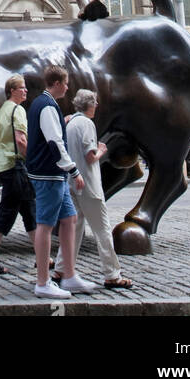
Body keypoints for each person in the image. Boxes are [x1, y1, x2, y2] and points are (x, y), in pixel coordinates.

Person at [26, 64, 96, 300]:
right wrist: (74, 170)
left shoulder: (44, 104)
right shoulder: (46, 106)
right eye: (65, 83)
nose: (67, 87)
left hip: (53, 175)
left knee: (70, 218)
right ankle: (43, 282)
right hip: (49, 175)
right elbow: (54, 142)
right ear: (56, 83)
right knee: (45, 225)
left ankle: (69, 275)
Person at [54, 89, 132, 290]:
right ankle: (112, 274)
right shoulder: (87, 124)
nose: (97, 106)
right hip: (89, 184)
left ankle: (61, 269)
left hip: (72, 183)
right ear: (90, 105)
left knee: (74, 228)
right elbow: (91, 156)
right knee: (102, 229)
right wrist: (102, 151)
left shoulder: (70, 123)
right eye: (95, 103)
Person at [0, 75, 36, 276]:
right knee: (8, 212)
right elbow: (21, 141)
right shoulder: (18, 110)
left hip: (5, 166)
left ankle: (42, 255)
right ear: (12, 90)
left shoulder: (4, 109)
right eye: (22, 88)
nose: (26, 91)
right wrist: (32, 160)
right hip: (16, 166)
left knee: (28, 210)